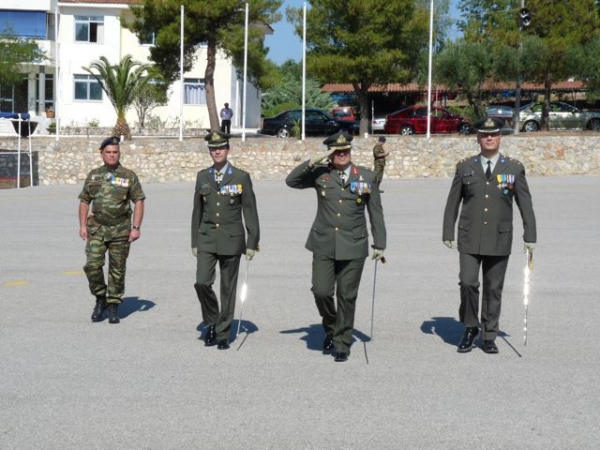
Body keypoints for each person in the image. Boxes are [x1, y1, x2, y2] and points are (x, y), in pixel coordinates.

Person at [285, 130, 387, 362]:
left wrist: (379, 243)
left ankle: (341, 342)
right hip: (324, 244)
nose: (342, 154)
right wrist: (314, 161)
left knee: (346, 296)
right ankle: (331, 326)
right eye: (336, 151)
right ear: (330, 154)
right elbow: (291, 181)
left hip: (354, 245)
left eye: (345, 150)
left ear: (350, 151)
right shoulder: (321, 174)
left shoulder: (367, 177)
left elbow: (376, 213)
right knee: (321, 291)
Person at [442, 117, 537, 354]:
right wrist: (447, 230)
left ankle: (489, 334)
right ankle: (470, 326)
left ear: (500, 138)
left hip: (499, 237)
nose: (489, 138)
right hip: (469, 236)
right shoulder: (465, 167)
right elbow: (453, 202)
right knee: (468, 282)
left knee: (494, 288)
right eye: (484, 135)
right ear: (478, 138)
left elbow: (525, 204)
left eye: (493, 135)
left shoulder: (513, 168)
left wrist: (530, 235)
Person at [192, 131, 260, 350]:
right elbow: (197, 210)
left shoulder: (241, 177)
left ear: (228, 150)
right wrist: (194, 240)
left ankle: (222, 332)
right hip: (207, 238)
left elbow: (250, 211)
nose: (217, 151)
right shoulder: (203, 176)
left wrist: (252, 241)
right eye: (213, 148)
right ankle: (211, 321)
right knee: (202, 282)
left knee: (228, 288)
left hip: (232, 239)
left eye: (220, 148)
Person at [78, 136, 146, 324]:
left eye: (115, 152)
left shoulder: (128, 175)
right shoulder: (93, 175)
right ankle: (101, 298)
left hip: (120, 229)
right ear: (102, 154)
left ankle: (114, 303)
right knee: (92, 266)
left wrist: (136, 228)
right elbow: (84, 200)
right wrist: (83, 225)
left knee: (117, 269)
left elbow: (139, 200)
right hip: (97, 228)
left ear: (119, 154)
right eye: (108, 152)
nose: (112, 155)